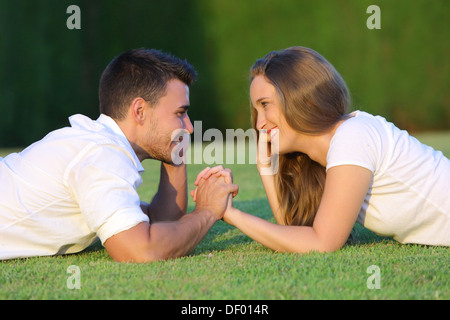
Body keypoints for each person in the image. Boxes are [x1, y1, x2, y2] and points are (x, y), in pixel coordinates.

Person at [193, 46, 450, 253]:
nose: (259, 124)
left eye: (265, 105)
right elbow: (293, 232)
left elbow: (321, 243)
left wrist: (230, 213)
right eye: (256, 110)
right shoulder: (323, 156)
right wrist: (266, 167)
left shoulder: (353, 136)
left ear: (300, 98)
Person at [0, 48, 237, 262]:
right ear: (140, 111)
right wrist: (207, 211)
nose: (189, 126)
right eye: (180, 113)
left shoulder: (98, 142)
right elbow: (141, 250)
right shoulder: (102, 153)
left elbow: (161, 221)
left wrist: (175, 155)